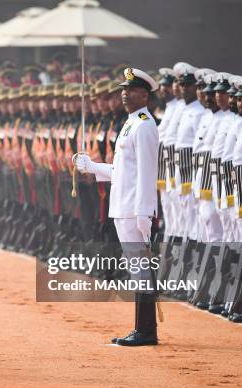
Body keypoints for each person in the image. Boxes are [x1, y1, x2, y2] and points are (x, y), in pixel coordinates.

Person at [74, 68, 160, 346]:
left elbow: (147, 174)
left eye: (131, 90)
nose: (124, 94)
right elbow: (123, 171)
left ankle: (146, 331)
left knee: (141, 269)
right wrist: (92, 167)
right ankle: (141, 328)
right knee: (136, 269)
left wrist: (145, 211)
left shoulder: (145, 125)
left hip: (135, 209)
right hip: (123, 206)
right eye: (123, 90)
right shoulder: (130, 123)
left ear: (145, 95)